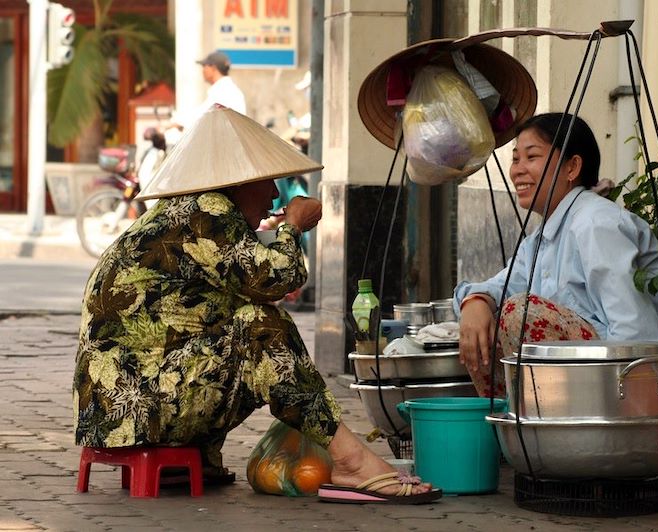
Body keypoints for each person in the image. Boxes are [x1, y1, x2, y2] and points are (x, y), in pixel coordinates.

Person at [73, 105, 441, 504]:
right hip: (137, 407)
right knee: (260, 327)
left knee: (233, 324)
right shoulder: (206, 210)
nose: (273, 195)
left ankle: (193, 457)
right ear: (237, 180)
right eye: (268, 181)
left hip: (114, 413)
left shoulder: (180, 212)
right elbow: (276, 279)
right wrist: (292, 227)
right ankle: (350, 461)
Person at [453, 112, 658, 409]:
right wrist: (476, 302)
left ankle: (557, 432)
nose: (517, 171)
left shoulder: (596, 223)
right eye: (515, 159)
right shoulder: (541, 237)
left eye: (531, 157)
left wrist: (637, 410)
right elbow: (502, 285)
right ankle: (527, 431)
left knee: (520, 315)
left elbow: (636, 334)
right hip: (605, 385)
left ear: (572, 167)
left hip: (654, 389)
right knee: (484, 320)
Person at [166, 51, 247, 133]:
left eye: (204, 66)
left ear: (213, 68)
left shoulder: (223, 91)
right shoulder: (227, 89)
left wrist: (178, 123)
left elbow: (202, 117)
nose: (203, 70)